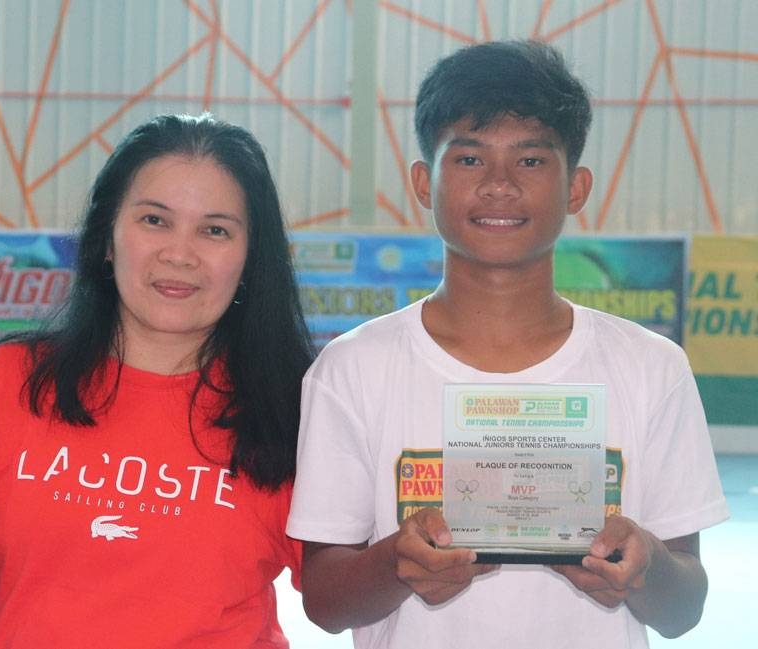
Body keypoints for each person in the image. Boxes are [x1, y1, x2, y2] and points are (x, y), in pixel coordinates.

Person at [287, 40, 728, 648]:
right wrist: (397, 564)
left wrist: (644, 569)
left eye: (530, 161)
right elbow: (324, 603)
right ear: (424, 181)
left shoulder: (652, 368)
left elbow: (685, 609)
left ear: (576, 187)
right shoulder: (351, 370)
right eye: (468, 159)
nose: (498, 185)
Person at [0, 113, 315, 648]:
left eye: (215, 230)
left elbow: (338, 595)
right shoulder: (4, 384)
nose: (180, 253)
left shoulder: (294, 409)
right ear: (107, 238)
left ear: (250, 260)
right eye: (155, 220)